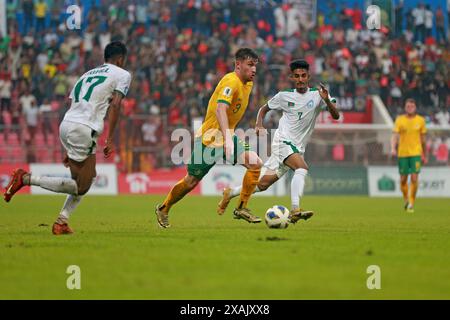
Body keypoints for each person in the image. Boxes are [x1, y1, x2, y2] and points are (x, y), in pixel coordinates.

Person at [3, 41, 132, 235]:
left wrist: (69, 146)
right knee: (82, 186)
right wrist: (110, 138)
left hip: (67, 124)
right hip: (83, 128)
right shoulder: (122, 74)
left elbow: (74, 103)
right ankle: (26, 179)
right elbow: (115, 105)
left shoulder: (87, 74)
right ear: (121, 59)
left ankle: (61, 221)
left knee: (84, 178)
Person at [217, 59, 340, 223]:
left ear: (308, 76)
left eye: (303, 75)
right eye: (297, 76)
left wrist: (325, 100)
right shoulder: (284, 96)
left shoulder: (319, 95)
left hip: (297, 147)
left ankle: (230, 192)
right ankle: (295, 209)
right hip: (283, 141)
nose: (300, 79)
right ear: (292, 77)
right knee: (302, 168)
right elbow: (263, 109)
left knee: (263, 185)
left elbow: (336, 115)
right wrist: (258, 124)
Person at [155, 48, 263, 228]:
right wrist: (227, 138)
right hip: (210, 138)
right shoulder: (231, 81)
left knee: (255, 164)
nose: (254, 70)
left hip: (227, 135)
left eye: (255, 66)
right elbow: (221, 109)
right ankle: (164, 208)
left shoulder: (248, 84)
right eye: (250, 65)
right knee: (191, 181)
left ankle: (242, 207)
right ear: (238, 65)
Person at [390, 99, 427, 213]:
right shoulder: (400, 120)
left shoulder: (421, 120)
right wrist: (392, 148)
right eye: (408, 106)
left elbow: (423, 139)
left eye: (412, 106)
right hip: (403, 153)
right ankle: (406, 199)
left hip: (416, 152)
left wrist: (424, 154)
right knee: (403, 179)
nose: (410, 108)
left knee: (414, 177)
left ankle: (411, 202)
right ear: (405, 108)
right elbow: (395, 136)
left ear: (415, 108)